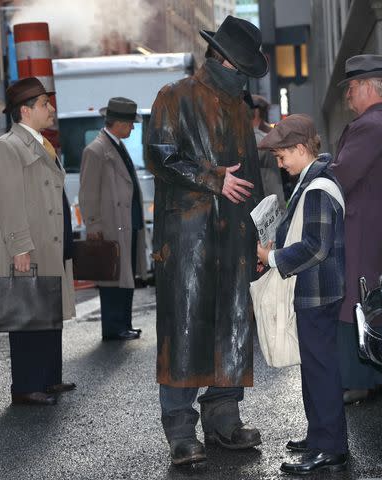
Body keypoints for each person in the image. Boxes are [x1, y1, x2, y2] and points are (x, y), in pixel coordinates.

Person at [146, 15, 267, 466]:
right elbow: (160, 157)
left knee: (232, 325)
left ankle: (224, 420)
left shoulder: (238, 107)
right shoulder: (173, 97)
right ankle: (180, 430)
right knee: (185, 330)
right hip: (188, 241)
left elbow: (251, 178)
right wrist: (214, 179)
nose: (242, 79)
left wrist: (260, 240)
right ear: (224, 59)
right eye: (242, 69)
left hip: (234, 236)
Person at [256, 114, 348, 474]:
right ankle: (321, 437)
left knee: (321, 370)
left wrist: (273, 257)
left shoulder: (317, 188)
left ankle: (329, 447)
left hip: (317, 291)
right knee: (315, 368)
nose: (279, 163)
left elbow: (315, 247)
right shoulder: (316, 181)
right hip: (317, 289)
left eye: (281, 156)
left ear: (299, 148)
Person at [0, 77, 76, 406]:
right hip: (30, 241)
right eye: (44, 104)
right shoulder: (7, 146)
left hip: (49, 238)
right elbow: (9, 201)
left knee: (47, 309)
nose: (50, 109)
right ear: (25, 111)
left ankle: (49, 377)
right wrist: (20, 246)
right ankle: (26, 385)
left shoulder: (39, 142)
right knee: (27, 312)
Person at [332, 54, 382, 405]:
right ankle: (376, 377)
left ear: (363, 88)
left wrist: (315, 172)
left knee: (354, 304)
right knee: (373, 303)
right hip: (377, 230)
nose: (347, 94)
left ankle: (361, 379)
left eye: (350, 87)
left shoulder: (369, 125)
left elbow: (342, 176)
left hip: (361, 231)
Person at [79, 97, 146, 341]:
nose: (132, 127)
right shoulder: (96, 150)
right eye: (130, 123)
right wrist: (93, 224)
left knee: (125, 274)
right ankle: (114, 326)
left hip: (126, 220)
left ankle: (124, 323)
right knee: (112, 277)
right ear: (117, 123)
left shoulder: (115, 145)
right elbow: (87, 192)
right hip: (110, 223)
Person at [251, 94, 285, 208]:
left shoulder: (257, 139)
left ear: (255, 111)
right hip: (275, 200)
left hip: (265, 203)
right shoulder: (271, 135)